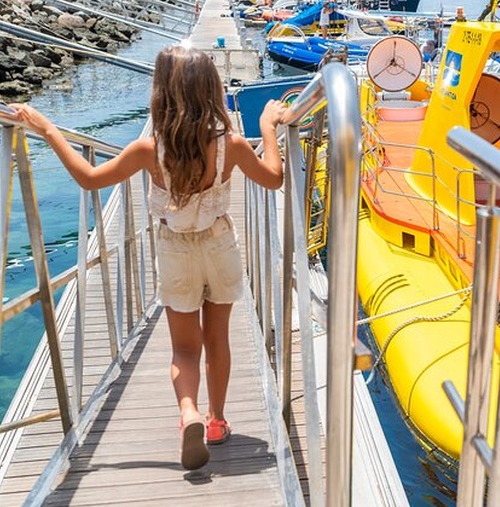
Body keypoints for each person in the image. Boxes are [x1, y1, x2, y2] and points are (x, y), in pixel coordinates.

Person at [1, 45, 288, 471]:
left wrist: (48, 129)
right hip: (219, 246)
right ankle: (217, 421)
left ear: (162, 93)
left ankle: (188, 410)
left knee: (184, 349)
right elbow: (275, 178)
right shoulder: (229, 143)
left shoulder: (147, 148)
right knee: (217, 341)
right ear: (211, 89)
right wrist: (266, 126)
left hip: (176, 250)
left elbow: (88, 179)